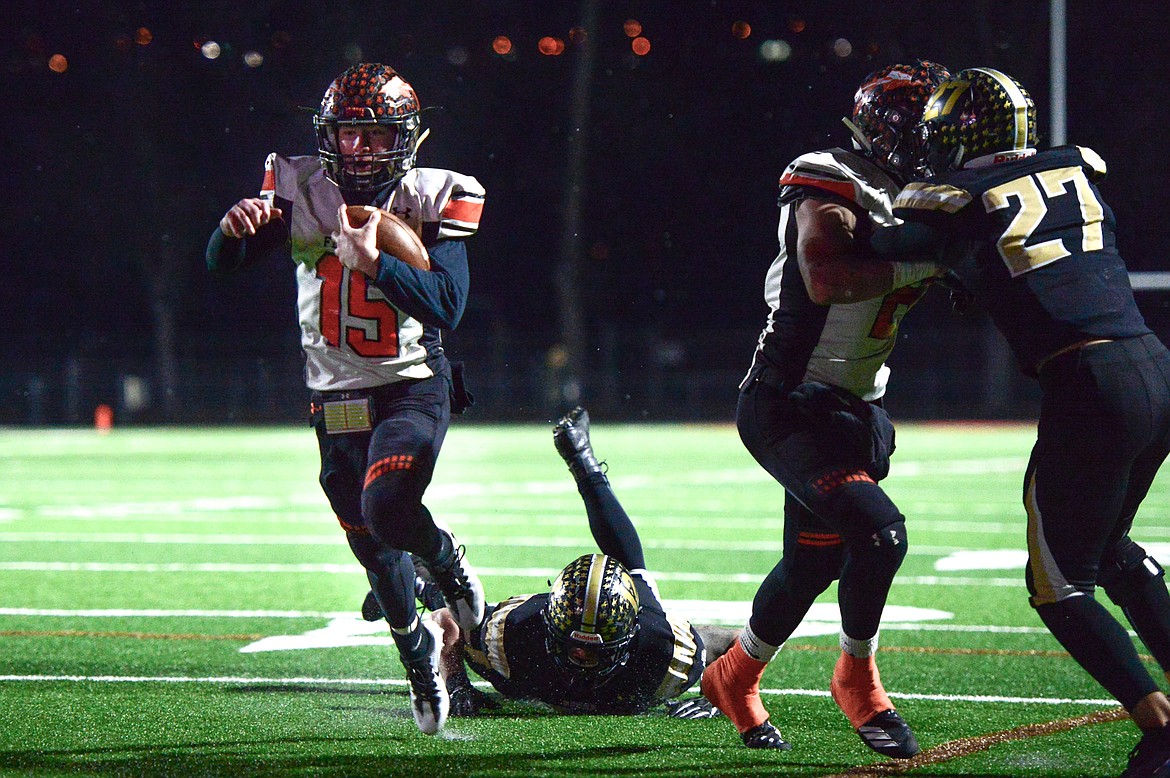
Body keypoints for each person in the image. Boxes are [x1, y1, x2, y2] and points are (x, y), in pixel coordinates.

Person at [872, 67, 1170, 778]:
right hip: (1154, 364)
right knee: (1112, 548)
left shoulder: (955, 198)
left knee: (1059, 588)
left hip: (1089, 383)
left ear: (953, 134)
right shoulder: (1078, 167)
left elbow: (886, 246)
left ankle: (1160, 726)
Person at [205, 62, 487, 737]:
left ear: (404, 138)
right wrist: (231, 228)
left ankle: (447, 560)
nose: (357, 148)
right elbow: (223, 265)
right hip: (333, 397)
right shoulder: (300, 186)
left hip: (411, 385)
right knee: (374, 550)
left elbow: (448, 306)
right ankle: (416, 653)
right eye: (346, 134)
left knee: (387, 505)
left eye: (372, 135)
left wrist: (378, 263)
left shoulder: (437, 193)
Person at [699, 60, 952, 755]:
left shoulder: (928, 194)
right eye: (926, 132)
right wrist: (932, 263)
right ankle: (858, 680)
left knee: (812, 564)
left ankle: (734, 676)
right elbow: (827, 273)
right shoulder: (834, 180)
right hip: (789, 403)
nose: (936, 147)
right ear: (886, 132)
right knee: (879, 535)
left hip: (856, 409)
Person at [416, 407, 739, 715]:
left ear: (632, 627)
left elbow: (736, 641)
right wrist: (456, 684)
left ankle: (583, 461)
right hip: (533, 627)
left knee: (634, 570)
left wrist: (718, 694)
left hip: (629, 624)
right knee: (466, 615)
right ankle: (417, 579)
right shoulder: (516, 634)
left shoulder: (659, 647)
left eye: (596, 648)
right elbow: (448, 620)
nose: (583, 655)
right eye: (574, 645)